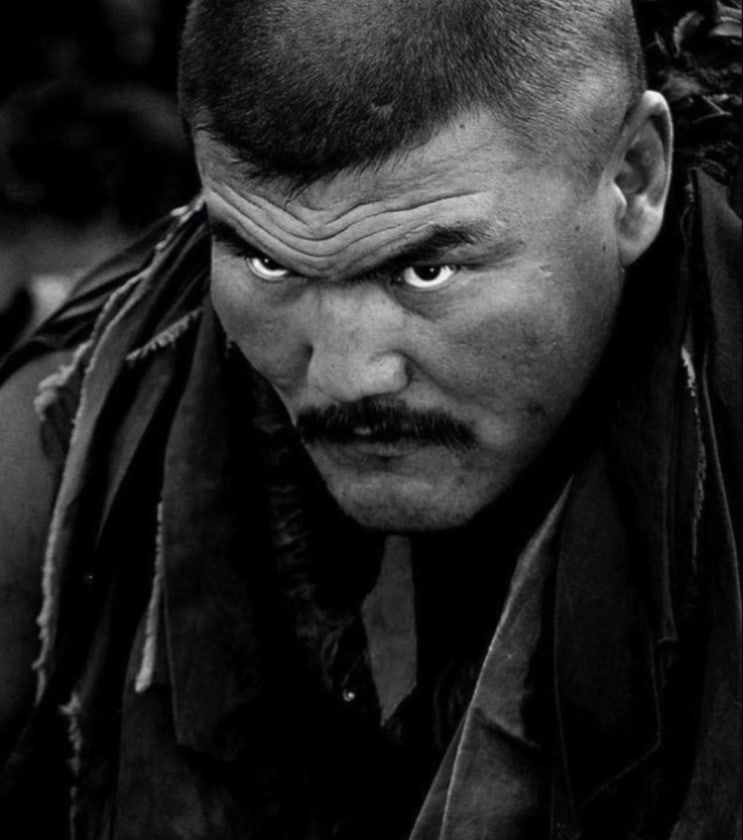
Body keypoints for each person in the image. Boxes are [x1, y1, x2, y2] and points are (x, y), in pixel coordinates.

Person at [0, 0, 739, 837]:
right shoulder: (78, 429)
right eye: (268, 263)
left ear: (632, 182)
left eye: (425, 271)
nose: (345, 377)